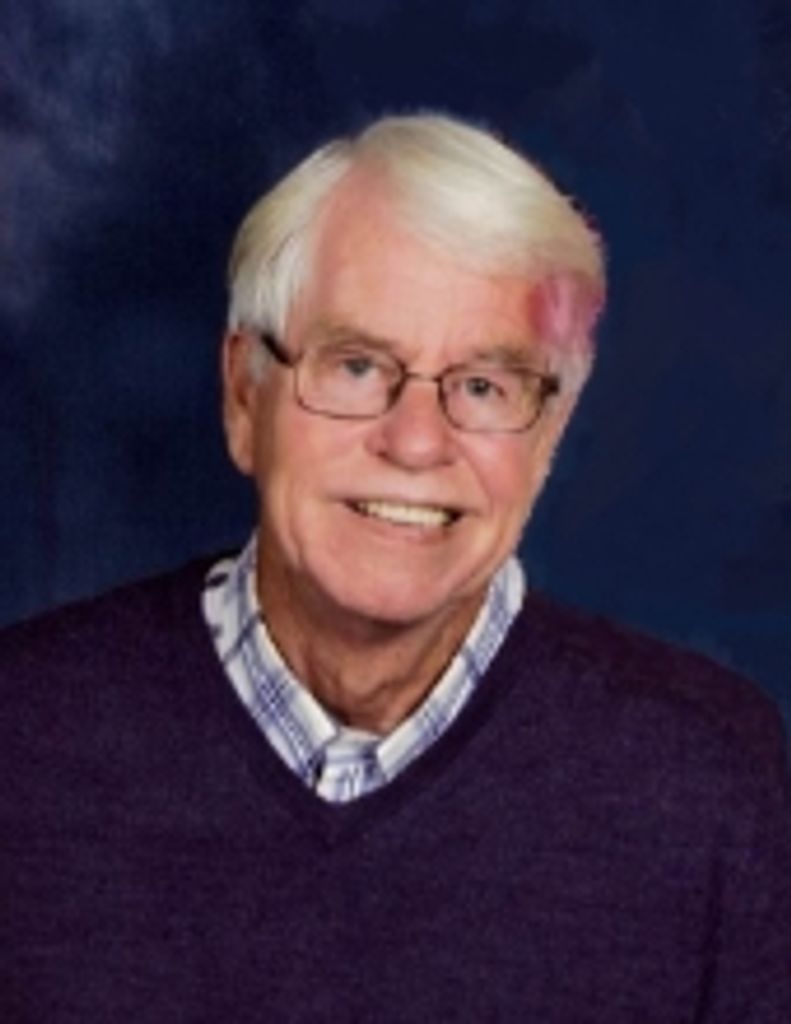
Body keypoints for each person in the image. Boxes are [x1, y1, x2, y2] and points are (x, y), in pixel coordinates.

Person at [0, 113, 788, 1022]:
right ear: (245, 396)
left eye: (483, 386)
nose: (415, 443)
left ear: (547, 437)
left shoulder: (703, 779)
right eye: (356, 366)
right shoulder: (21, 736)